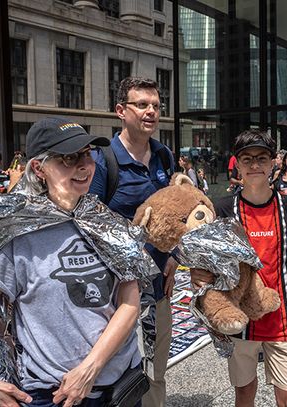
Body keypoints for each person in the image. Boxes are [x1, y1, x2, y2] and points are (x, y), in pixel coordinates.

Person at [0, 117, 147, 407]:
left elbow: (129, 302)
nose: (84, 166)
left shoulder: (107, 224)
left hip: (118, 388)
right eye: (68, 158)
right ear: (39, 168)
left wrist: (90, 369)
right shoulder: (18, 235)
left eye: (86, 155)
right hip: (54, 396)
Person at [191, 129, 287, 407]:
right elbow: (206, 264)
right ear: (237, 164)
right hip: (241, 320)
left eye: (261, 158)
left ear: (273, 162)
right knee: (244, 392)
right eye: (247, 159)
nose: (254, 165)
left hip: (281, 319)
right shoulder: (223, 209)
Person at [89, 77, 176, 407]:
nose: (151, 111)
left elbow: (175, 214)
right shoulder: (101, 162)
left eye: (155, 105)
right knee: (115, 372)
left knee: (155, 372)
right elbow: (89, 225)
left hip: (158, 291)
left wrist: (173, 256)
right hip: (115, 294)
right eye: (142, 105)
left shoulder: (163, 156)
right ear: (120, 111)